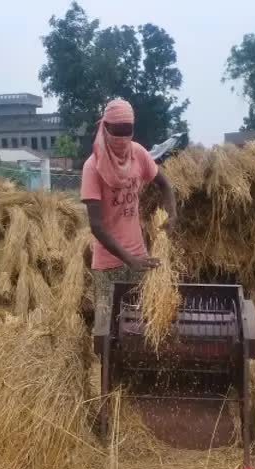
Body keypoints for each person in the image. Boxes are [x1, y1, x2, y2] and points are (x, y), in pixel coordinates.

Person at [80, 98, 177, 316]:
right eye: (118, 130)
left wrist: (172, 214)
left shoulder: (138, 154)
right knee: (109, 331)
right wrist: (128, 259)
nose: (123, 137)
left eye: (128, 130)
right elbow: (96, 226)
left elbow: (164, 184)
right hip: (108, 265)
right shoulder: (92, 167)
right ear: (105, 127)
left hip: (139, 259)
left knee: (140, 323)